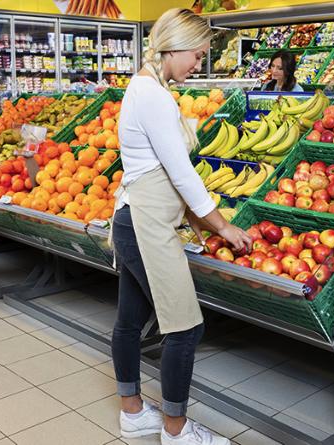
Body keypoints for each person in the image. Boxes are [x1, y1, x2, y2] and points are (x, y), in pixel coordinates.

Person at [111, 8, 252, 445]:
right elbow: (181, 173)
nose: (199, 64)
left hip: (135, 217)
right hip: (146, 224)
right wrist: (222, 226)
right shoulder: (152, 95)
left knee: (131, 320)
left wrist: (197, 221)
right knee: (185, 327)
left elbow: (164, 172)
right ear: (172, 48)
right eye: (197, 55)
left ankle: (133, 413)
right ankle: (176, 430)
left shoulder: (144, 87)